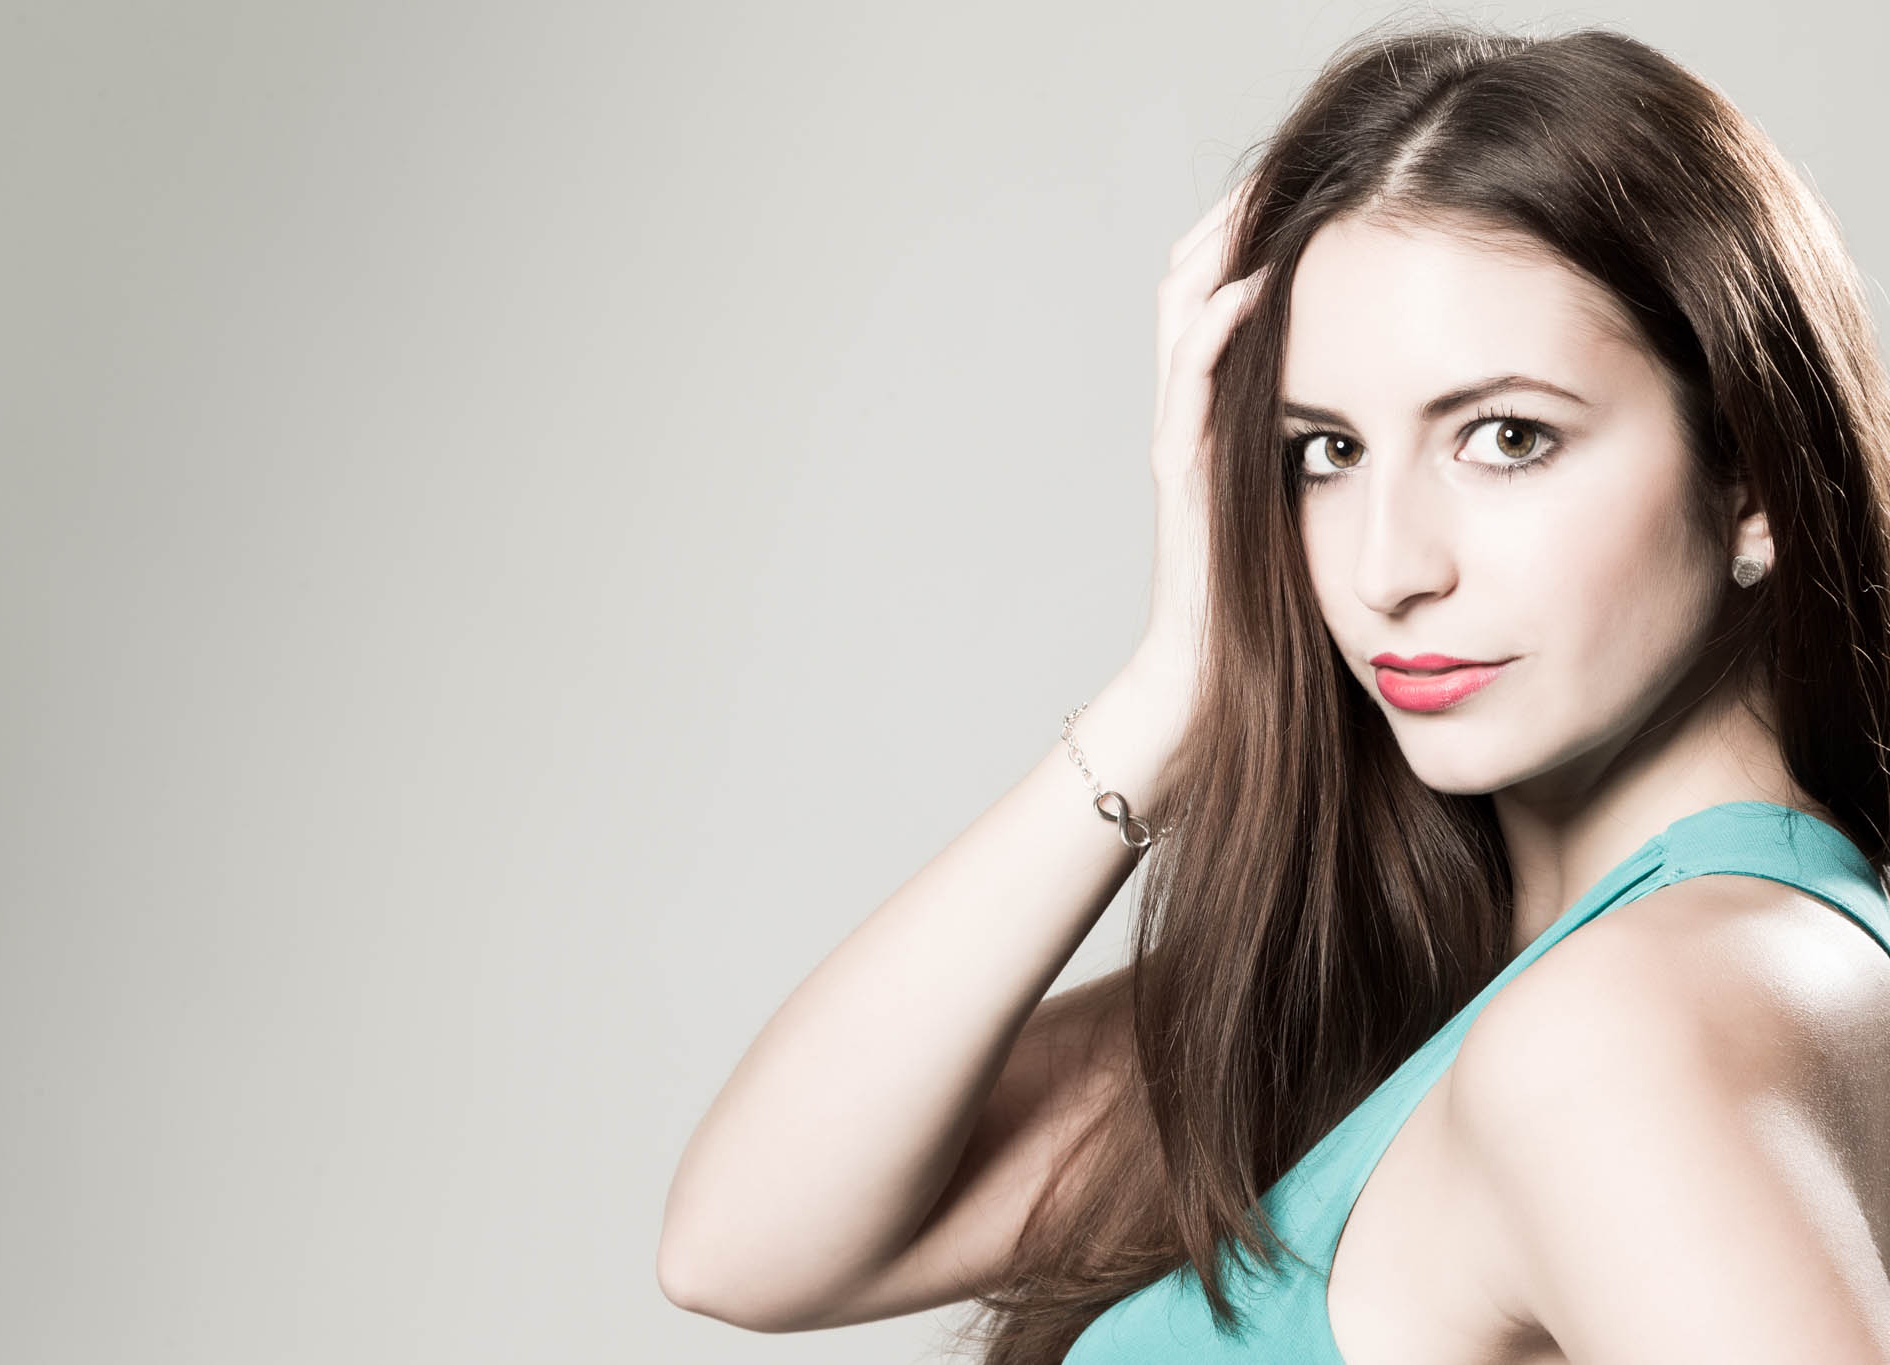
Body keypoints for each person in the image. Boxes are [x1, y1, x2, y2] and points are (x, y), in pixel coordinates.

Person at [657, 18, 1890, 1363]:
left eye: (1507, 435)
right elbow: (745, 1243)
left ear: (1752, 480)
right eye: (1327, 452)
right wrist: (1180, 679)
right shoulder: (1426, 977)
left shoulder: (1626, 1030)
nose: (1386, 568)